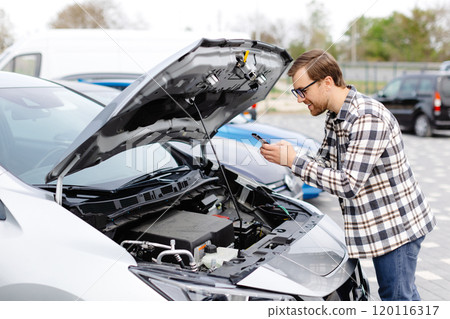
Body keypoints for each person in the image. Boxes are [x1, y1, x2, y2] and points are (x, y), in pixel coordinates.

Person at [260, 49, 436, 301]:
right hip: (379, 226)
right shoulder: (335, 116)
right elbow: (325, 163)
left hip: (398, 228)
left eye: (303, 91)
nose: (300, 99)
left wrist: (295, 162)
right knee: (402, 294)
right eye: (296, 92)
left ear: (327, 82)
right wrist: (291, 155)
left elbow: (347, 183)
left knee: (397, 299)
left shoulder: (366, 118)